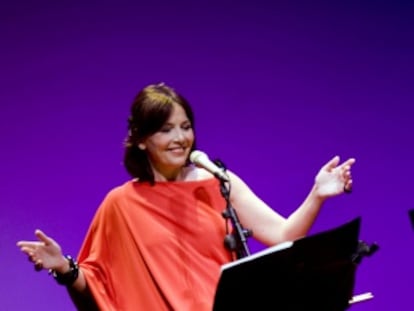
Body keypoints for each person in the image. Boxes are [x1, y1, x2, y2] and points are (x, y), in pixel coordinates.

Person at [16, 82, 355, 311]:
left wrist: (317, 195)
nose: (181, 138)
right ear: (140, 139)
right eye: (166, 129)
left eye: (185, 126)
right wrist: (64, 268)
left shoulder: (220, 182)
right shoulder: (120, 204)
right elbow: (101, 290)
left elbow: (284, 236)